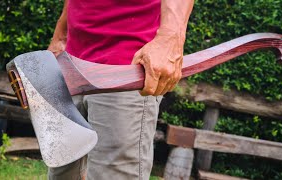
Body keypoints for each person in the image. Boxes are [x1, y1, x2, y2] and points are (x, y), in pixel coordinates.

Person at [47, 0, 194, 179]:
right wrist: (60, 37)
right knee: (62, 172)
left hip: (125, 71)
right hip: (71, 65)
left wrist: (169, 39)